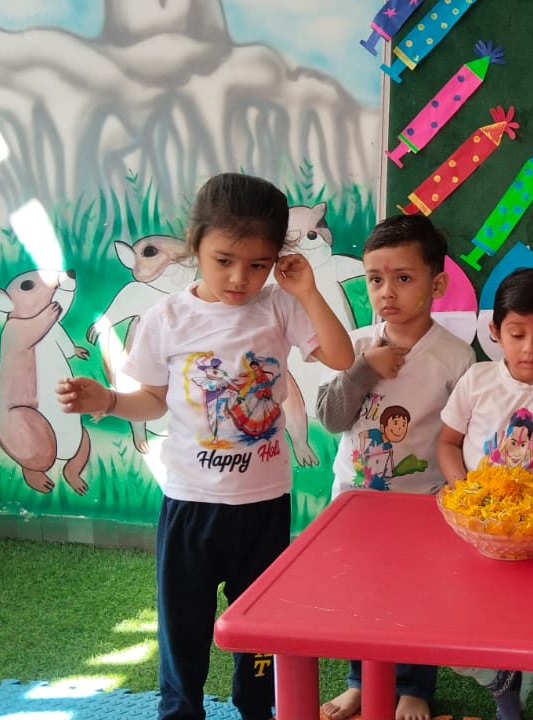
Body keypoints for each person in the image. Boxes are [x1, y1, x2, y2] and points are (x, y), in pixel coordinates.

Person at [55, 172, 353, 720]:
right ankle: (181, 710)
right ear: (194, 246)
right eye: (224, 260)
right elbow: (151, 399)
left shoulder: (278, 307)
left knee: (261, 624)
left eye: (258, 263)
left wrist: (306, 291)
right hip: (192, 504)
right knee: (184, 624)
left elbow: (340, 359)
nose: (241, 277)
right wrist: (109, 401)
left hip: (264, 505)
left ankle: (256, 706)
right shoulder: (164, 319)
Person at [313, 214, 474, 720]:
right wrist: (364, 370)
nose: (388, 292)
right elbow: (331, 417)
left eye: (404, 278)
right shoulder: (356, 345)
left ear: (437, 283)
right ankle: (362, 681)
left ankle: (414, 687)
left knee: (418, 598)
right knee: (364, 597)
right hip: (355, 504)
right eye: (376, 280)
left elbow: (463, 437)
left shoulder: (455, 357)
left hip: (423, 506)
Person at [435, 267, 533, 720]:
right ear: (494, 332)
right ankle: (497, 676)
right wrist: (464, 491)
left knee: (525, 619)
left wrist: (532, 497)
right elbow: (447, 442)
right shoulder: (478, 379)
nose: (529, 349)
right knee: (451, 620)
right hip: (473, 521)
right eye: (517, 333)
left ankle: (512, 684)